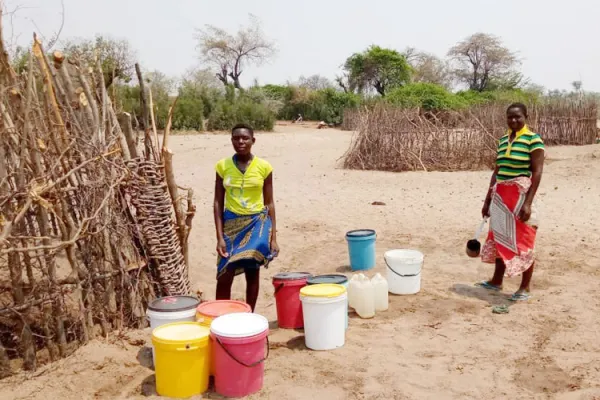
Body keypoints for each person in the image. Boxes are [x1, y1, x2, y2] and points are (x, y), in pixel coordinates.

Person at [477, 103, 545, 301]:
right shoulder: (504, 139)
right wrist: (488, 199)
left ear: (526, 117)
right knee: (499, 237)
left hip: (520, 197)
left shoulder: (533, 140)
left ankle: (525, 288)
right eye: (510, 117)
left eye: (518, 117)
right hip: (500, 197)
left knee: (523, 240)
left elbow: (537, 172)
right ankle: (496, 282)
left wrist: (528, 203)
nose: (514, 121)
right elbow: (497, 172)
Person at [213, 123, 279, 311]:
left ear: (253, 141)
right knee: (224, 273)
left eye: (245, 138)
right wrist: (219, 237)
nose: (240, 141)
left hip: (257, 224)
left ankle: (249, 315)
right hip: (231, 224)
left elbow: (270, 203)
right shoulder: (222, 166)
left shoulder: (264, 167)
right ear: (231, 140)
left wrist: (273, 237)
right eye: (236, 138)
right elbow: (218, 202)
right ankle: (220, 316)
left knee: (252, 271)